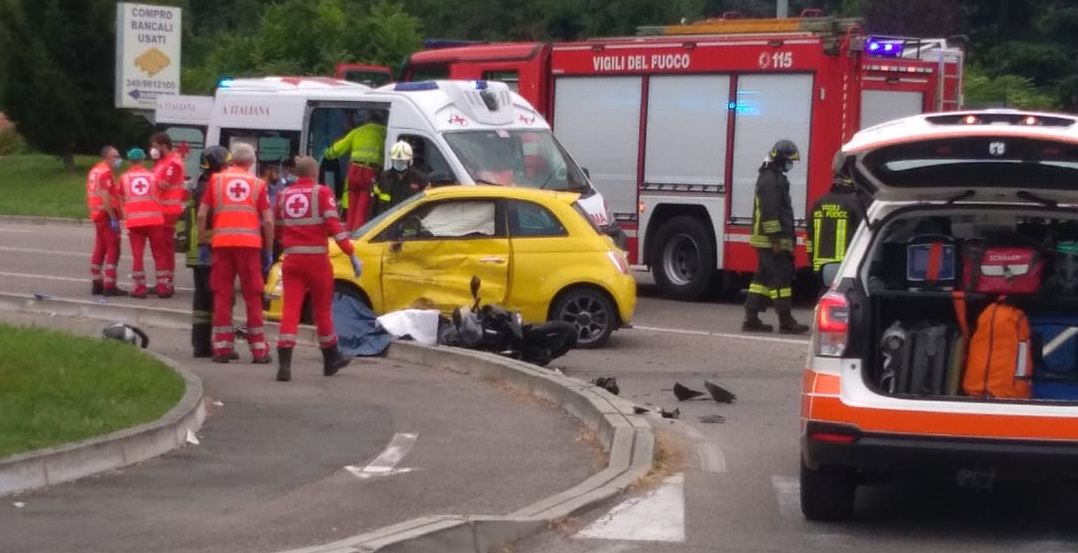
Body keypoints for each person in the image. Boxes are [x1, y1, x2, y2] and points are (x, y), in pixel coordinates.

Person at [273, 155, 361, 382]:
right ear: (314, 173)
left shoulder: (283, 196)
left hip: (292, 260)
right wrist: (351, 253)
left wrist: (290, 244)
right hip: (317, 261)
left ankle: (284, 363)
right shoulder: (322, 192)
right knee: (322, 310)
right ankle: (331, 358)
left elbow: (278, 229)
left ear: (296, 173)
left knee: (290, 310)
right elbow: (335, 227)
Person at [196, 143, 275, 364]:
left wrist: (202, 242)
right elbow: (268, 220)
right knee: (253, 296)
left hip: (221, 245)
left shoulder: (216, 180)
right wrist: (268, 250)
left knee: (222, 294)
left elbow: (202, 214)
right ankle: (259, 350)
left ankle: (222, 348)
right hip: (249, 247)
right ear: (251, 162)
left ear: (232, 159)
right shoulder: (258, 184)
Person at [743, 139, 809, 335]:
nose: (791, 165)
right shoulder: (771, 181)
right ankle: (786, 321)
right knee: (781, 280)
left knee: (762, 279)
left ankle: (751, 318)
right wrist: (775, 240)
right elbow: (770, 212)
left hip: (769, 239)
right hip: (772, 240)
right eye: (790, 160)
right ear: (780, 159)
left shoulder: (772, 177)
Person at [185, 145, 238, 359]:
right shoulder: (209, 188)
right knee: (221, 297)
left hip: (197, 250)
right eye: (225, 164)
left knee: (202, 301)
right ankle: (221, 344)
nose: (228, 167)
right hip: (209, 248)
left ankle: (201, 345)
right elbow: (206, 219)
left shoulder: (199, 184)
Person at [806, 151, 868, 286]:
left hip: (821, 267)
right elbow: (864, 234)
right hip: (846, 265)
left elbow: (809, 235)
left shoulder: (819, 203)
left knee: (823, 299)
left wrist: (811, 259)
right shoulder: (854, 204)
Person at [323, 110, 387, 231]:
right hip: (370, 172)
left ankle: (349, 231)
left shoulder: (358, 131)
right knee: (362, 209)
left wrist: (327, 154)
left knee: (352, 206)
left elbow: (337, 149)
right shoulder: (384, 132)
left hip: (354, 171)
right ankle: (357, 234)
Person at [118, 148, 169, 299]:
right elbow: (161, 189)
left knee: (137, 256)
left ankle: (139, 289)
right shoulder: (152, 176)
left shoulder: (124, 178)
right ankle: (163, 287)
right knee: (160, 254)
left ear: (129, 161)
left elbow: (121, 197)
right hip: (154, 220)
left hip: (135, 222)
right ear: (143, 160)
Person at [88, 145, 127, 297]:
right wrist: (113, 218)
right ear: (107, 157)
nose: (118, 160)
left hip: (97, 214)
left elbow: (109, 193)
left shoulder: (95, 171)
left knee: (100, 247)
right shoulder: (105, 173)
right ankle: (110, 285)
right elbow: (105, 197)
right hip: (106, 214)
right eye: (115, 157)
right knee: (113, 248)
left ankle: (97, 282)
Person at [150, 132, 186, 298]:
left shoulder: (173, 162)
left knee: (164, 248)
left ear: (164, 145)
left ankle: (166, 284)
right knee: (161, 248)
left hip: (168, 211)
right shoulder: (162, 162)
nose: (153, 150)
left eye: (156, 147)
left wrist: (147, 180)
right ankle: (162, 281)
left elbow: (163, 184)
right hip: (160, 210)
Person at [371, 140, 429, 217]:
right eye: (396, 161)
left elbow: (426, 206)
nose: (399, 164)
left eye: (402, 161)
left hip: (409, 221)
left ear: (409, 161)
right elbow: (374, 204)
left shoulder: (419, 179)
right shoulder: (384, 177)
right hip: (387, 221)